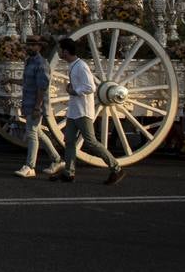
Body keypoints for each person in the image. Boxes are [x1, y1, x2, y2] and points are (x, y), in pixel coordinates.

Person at [48, 36, 124, 185]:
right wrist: (72, 88)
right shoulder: (73, 65)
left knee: (91, 142)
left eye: (60, 50)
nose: (58, 53)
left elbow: (91, 87)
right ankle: (69, 173)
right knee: (69, 141)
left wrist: (75, 91)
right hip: (74, 111)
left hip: (83, 111)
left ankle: (116, 168)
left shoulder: (81, 66)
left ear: (65, 51)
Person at [14, 35, 63, 179]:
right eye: (28, 44)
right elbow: (27, 82)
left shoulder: (42, 64)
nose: (29, 47)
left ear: (39, 47)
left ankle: (30, 166)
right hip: (29, 102)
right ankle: (57, 160)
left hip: (36, 104)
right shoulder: (29, 62)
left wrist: (37, 107)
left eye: (32, 45)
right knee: (38, 133)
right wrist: (11, 80)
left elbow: (42, 88)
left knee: (31, 133)